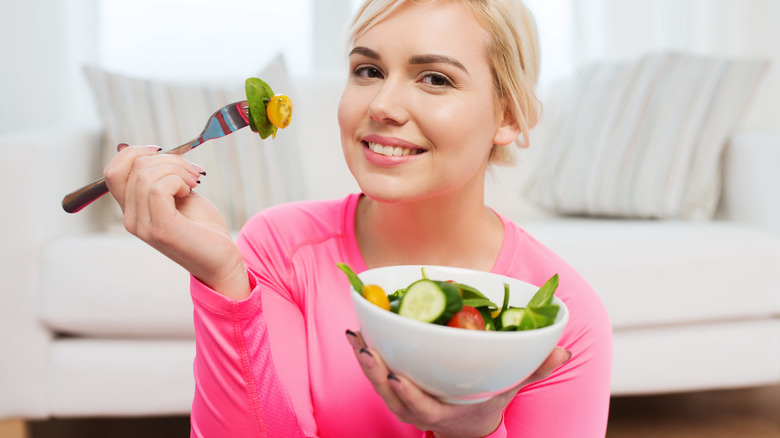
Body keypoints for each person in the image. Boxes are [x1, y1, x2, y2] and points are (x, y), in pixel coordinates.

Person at [103, 0, 612, 436]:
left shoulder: (564, 319)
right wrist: (225, 281)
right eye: (368, 70)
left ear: (508, 116)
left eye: (435, 78)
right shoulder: (279, 249)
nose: (384, 106)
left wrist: (473, 433)